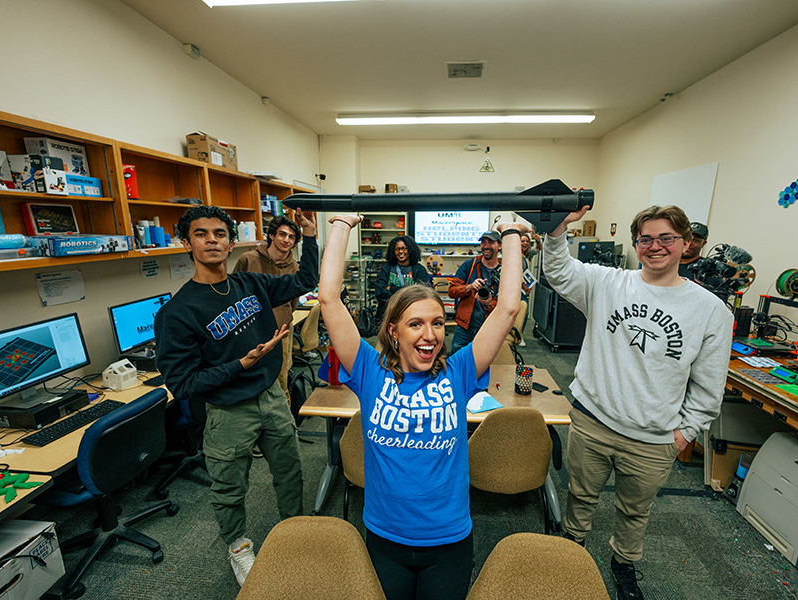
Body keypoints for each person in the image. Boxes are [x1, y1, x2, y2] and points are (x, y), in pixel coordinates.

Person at [318, 214, 525, 600]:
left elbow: (507, 309)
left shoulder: (459, 371)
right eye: (415, 324)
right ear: (393, 331)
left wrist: (508, 232)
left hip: (448, 540)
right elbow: (329, 298)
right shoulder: (368, 370)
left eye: (437, 323)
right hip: (385, 536)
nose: (430, 335)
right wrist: (342, 225)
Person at [542, 204, 732, 600]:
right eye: (645, 239)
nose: (655, 246)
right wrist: (557, 231)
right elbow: (558, 270)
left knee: (634, 510)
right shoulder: (608, 283)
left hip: (654, 438)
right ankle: (572, 546)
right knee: (580, 493)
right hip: (593, 420)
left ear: (687, 244)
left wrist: (683, 434)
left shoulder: (711, 310)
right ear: (636, 244)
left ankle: (623, 563)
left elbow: (709, 385)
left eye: (666, 238)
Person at [154, 205, 319, 588]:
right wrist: (239, 365)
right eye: (201, 234)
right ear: (187, 244)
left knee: (290, 470)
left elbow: (306, 278)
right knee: (229, 487)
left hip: (272, 397)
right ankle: (239, 548)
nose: (212, 240)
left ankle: (294, 529)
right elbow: (182, 384)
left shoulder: (252, 284)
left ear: (230, 243)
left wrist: (309, 237)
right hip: (229, 410)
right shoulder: (177, 313)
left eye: (219, 234)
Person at [233, 215, 303, 396]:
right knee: (249, 380)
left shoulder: (294, 267)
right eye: (282, 234)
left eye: (291, 237)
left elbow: (292, 302)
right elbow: (235, 293)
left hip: (281, 332)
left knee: (280, 382)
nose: (286, 240)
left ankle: (284, 422)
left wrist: (282, 316)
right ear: (272, 235)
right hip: (251, 331)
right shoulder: (248, 259)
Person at [447, 231, 502, 355]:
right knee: (457, 360)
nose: (486, 246)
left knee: (484, 363)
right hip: (465, 327)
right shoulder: (469, 265)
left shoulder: (504, 271)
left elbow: (506, 303)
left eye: (491, 242)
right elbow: (452, 291)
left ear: (500, 245)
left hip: (489, 328)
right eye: (483, 242)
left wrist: (489, 304)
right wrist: (469, 287)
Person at [373, 235, 429, 325]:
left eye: (404, 248)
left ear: (410, 250)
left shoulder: (419, 269)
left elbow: (420, 294)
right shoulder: (386, 269)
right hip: (388, 316)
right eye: (397, 249)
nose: (401, 252)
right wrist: (409, 291)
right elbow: (379, 293)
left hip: (412, 316)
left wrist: (391, 289)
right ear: (393, 251)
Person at [516, 229, 542, 346]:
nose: (525, 243)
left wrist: (538, 241)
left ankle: (518, 335)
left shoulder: (526, 254)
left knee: (522, 312)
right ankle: (519, 336)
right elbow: (517, 274)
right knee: (524, 313)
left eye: (527, 241)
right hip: (518, 289)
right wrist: (526, 288)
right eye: (522, 241)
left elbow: (538, 248)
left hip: (522, 288)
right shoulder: (517, 256)